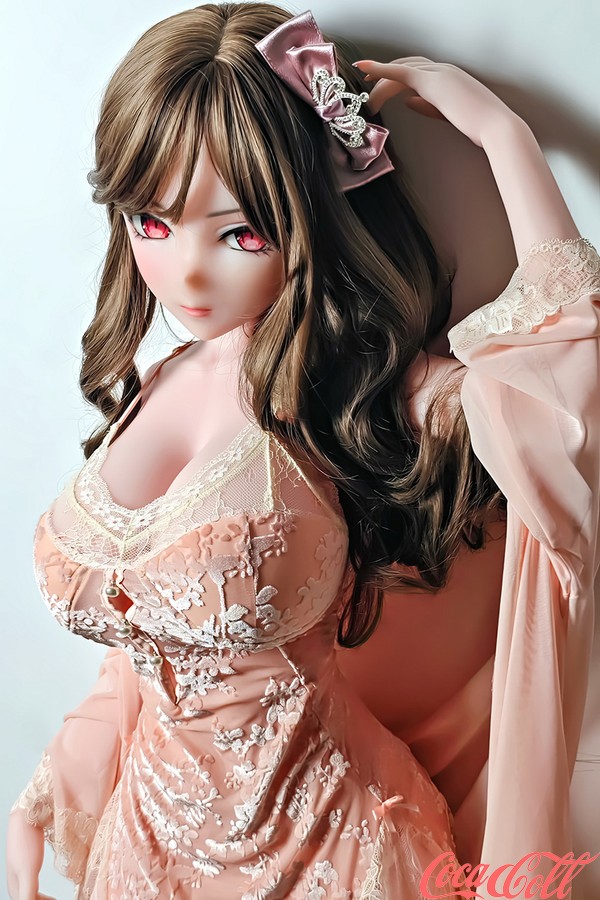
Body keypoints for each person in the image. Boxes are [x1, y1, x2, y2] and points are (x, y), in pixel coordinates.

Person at [6, 3, 599, 899]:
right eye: (150, 223)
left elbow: (566, 408)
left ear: (313, 217)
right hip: (145, 851)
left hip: (336, 856)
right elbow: (147, 634)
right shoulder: (160, 379)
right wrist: (58, 777)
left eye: (241, 232)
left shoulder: (363, 393)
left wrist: (505, 138)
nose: (186, 273)